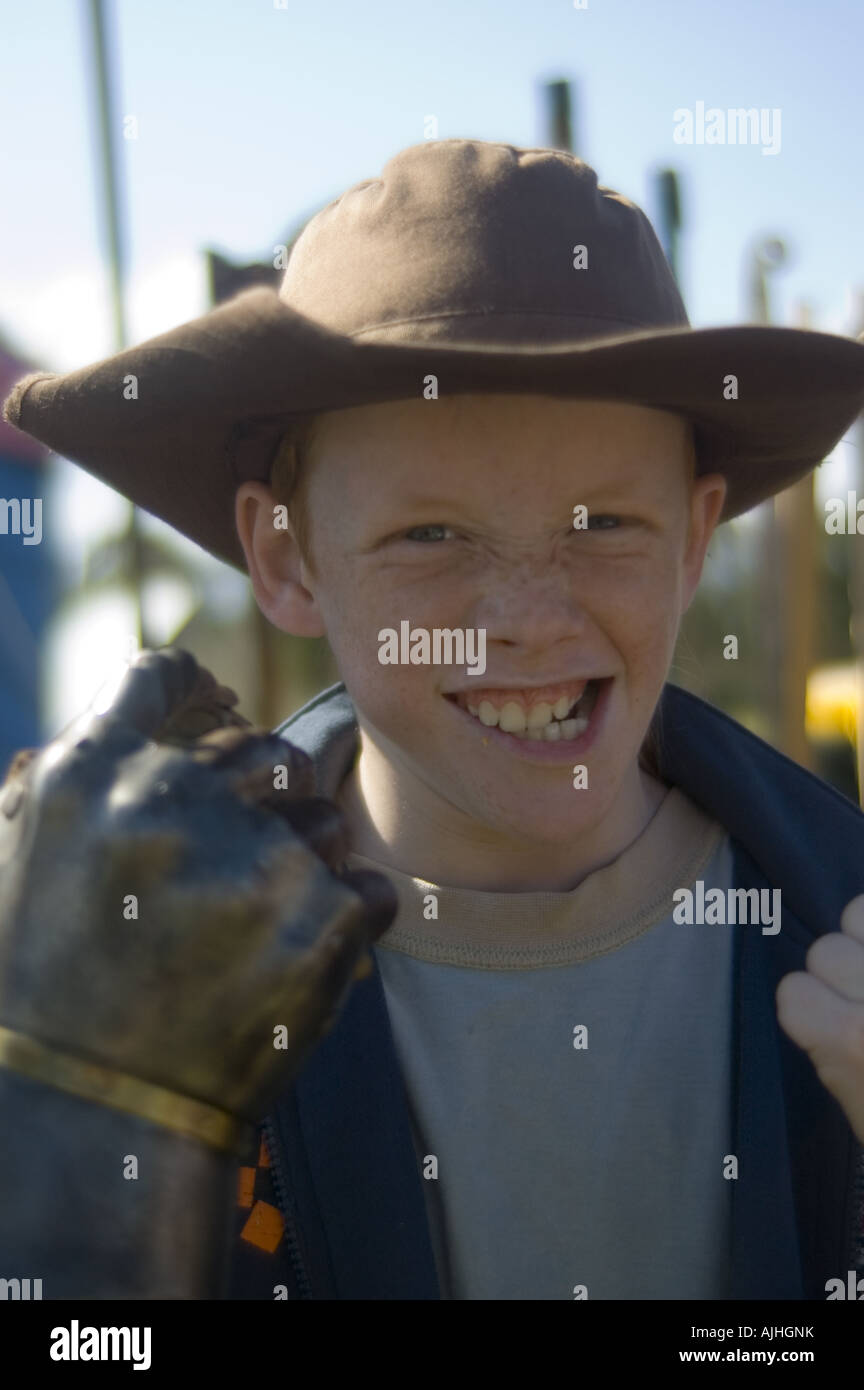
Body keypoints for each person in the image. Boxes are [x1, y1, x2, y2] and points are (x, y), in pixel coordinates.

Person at [3, 138, 864, 1301]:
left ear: (697, 538)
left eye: (603, 521)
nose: (525, 618)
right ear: (287, 556)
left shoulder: (836, 920)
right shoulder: (138, 975)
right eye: (430, 536)